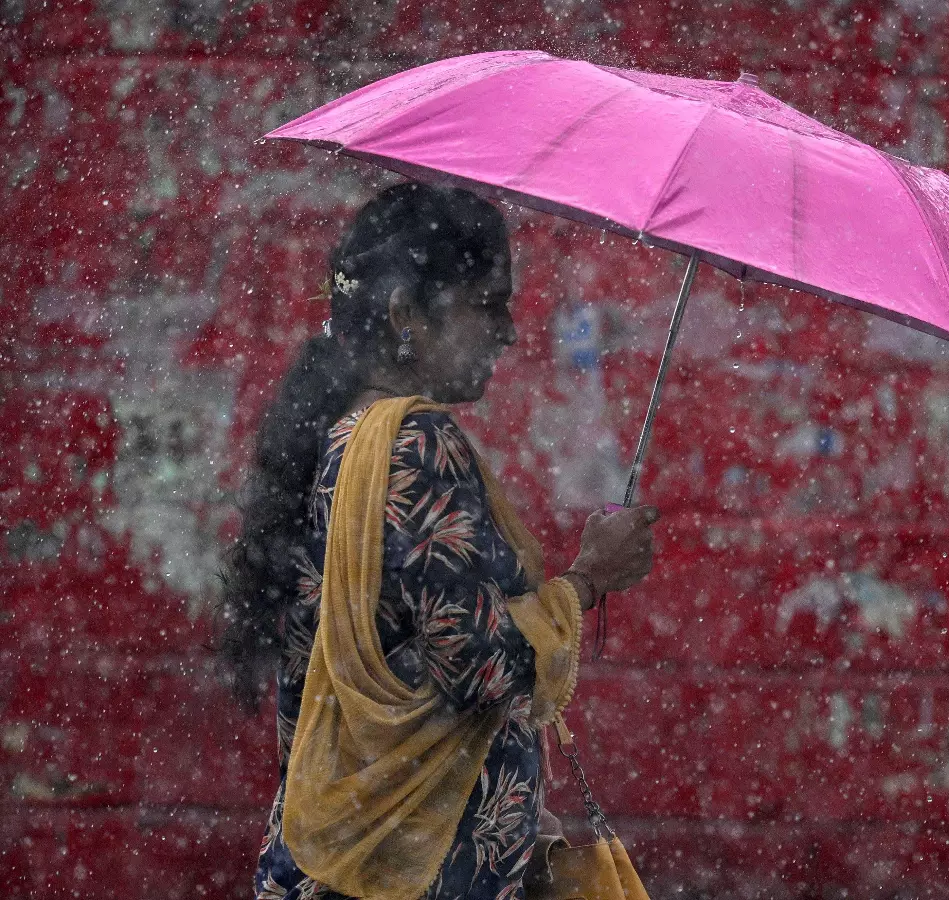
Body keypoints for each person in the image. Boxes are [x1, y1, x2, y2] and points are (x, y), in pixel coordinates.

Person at [218, 182, 657, 900]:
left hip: (349, 855)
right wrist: (590, 577)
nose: (510, 332)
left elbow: (396, 669)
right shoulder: (414, 440)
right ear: (404, 317)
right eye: (488, 305)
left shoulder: (341, 433)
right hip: (410, 875)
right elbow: (485, 669)